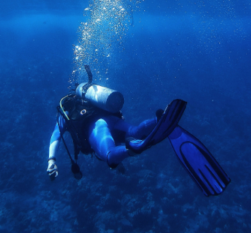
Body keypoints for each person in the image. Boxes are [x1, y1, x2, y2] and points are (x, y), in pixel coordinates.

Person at [47, 66, 231, 196]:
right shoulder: (91, 101)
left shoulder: (66, 111)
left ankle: (133, 148)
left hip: (96, 127)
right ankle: (158, 120)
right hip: (110, 119)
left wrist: (51, 161)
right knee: (135, 129)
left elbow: (56, 137)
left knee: (109, 155)